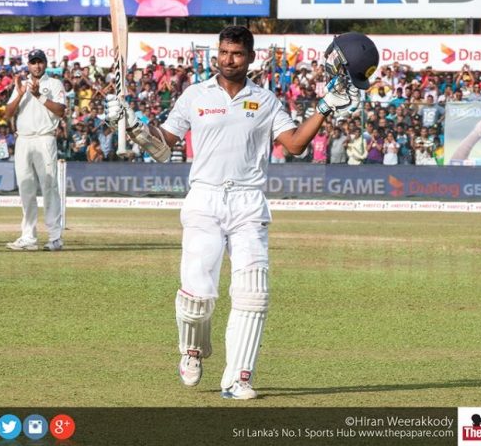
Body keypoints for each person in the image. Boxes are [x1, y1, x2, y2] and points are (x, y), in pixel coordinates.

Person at [105, 27, 378, 399]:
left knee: (253, 295)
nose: (227, 59)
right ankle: (192, 349)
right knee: (197, 298)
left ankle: (238, 379)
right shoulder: (194, 95)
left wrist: (326, 108)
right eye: (223, 52)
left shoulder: (265, 101)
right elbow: (161, 149)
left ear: (250, 58)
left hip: (248, 202)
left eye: (235, 53)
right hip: (204, 199)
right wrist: (134, 126)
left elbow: (295, 145)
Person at [4, 49, 66, 251]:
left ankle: (55, 237)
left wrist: (39, 96)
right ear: (28, 65)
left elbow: (61, 111)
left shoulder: (54, 84)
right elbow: (7, 113)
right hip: (23, 139)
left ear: (45, 64)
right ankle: (28, 237)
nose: (37, 66)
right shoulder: (21, 85)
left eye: (40, 62)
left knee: (49, 188)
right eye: (33, 62)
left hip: (45, 138)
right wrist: (20, 94)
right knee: (26, 189)